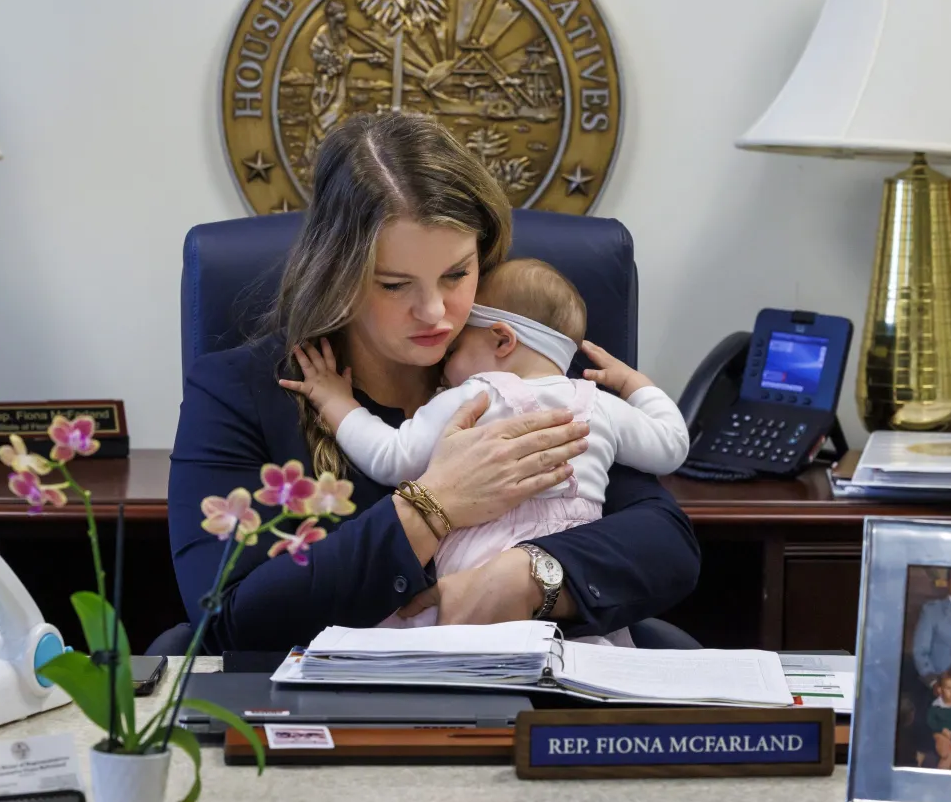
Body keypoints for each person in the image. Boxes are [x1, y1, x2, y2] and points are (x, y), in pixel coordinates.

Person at [167, 110, 700, 652]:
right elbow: (228, 620)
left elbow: (665, 543)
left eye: (456, 275)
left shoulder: (517, 369)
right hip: (342, 717)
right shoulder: (239, 391)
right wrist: (433, 505)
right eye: (395, 285)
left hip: (527, 704)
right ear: (335, 272)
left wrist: (528, 578)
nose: (435, 314)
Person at [280, 257, 689, 645]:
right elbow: (672, 446)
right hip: (566, 597)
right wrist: (636, 383)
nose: (443, 363)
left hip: (474, 584)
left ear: (502, 339)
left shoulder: (476, 394)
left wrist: (336, 402)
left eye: (456, 348)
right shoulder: (600, 405)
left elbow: (391, 457)